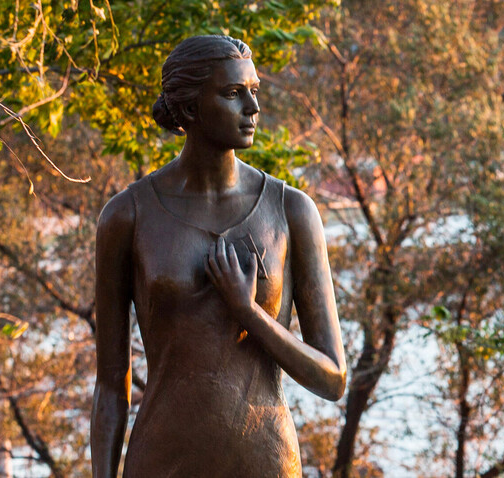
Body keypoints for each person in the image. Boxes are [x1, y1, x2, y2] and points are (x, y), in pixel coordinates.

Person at [91, 35, 346, 478]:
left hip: (266, 461)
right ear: (189, 109)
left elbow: (332, 379)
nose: (253, 107)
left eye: (255, 91)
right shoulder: (128, 215)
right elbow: (111, 386)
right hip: (161, 462)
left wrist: (250, 314)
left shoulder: (291, 211)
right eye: (233, 93)